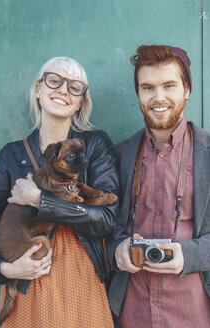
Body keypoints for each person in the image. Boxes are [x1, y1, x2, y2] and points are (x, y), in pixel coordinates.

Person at [0, 57, 119, 327]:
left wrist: (40, 200)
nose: (63, 90)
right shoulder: (11, 155)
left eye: (74, 87)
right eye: (54, 81)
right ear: (38, 89)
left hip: (82, 277)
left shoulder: (94, 145)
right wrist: (3, 268)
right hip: (26, 278)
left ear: (81, 101)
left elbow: (107, 219)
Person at [107, 45, 210, 328]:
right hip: (131, 313)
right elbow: (103, 230)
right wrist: (117, 250)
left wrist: (189, 255)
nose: (158, 97)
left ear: (187, 89)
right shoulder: (119, 156)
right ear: (139, 93)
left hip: (194, 314)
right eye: (148, 87)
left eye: (169, 85)